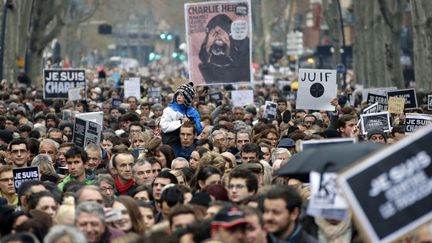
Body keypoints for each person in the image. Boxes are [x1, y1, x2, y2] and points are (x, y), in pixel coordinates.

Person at [198, 14, 250, 83]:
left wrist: (228, 42)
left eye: (221, 32)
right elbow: (203, 59)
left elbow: (240, 61)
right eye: (214, 33)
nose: (218, 36)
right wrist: (209, 44)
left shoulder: (241, 43)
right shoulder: (205, 68)